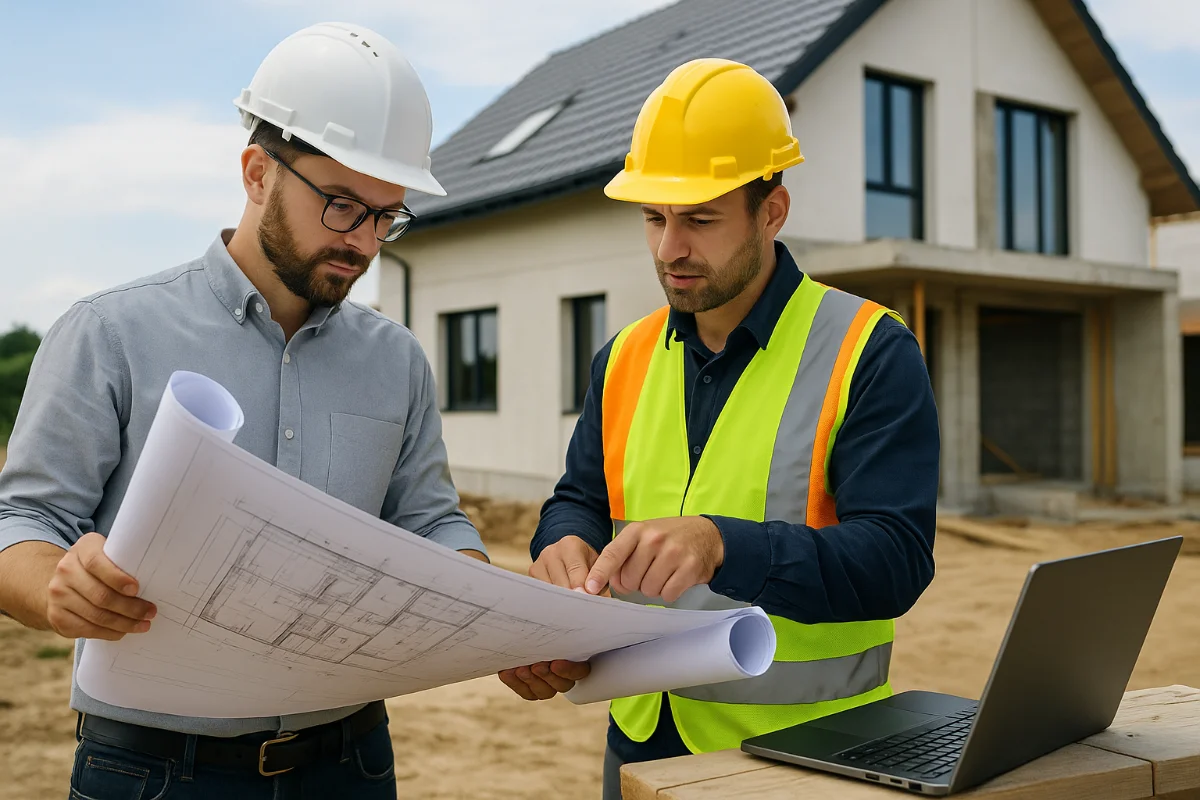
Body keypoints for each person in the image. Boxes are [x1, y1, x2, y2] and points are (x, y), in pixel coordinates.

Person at [0, 22, 488, 799]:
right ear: (257, 172)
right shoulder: (110, 334)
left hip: (351, 763)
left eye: (385, 216)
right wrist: (59, 584)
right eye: (340, 205)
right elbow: (21, 521)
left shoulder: (396, 360)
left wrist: (485, 603)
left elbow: (429, 519)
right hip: (153, 770)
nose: (363, 241)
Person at [497, 58, 940, 798]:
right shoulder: (624, 357)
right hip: (640, 747)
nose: (671, 248)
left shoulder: (869, 349)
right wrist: (561, 547)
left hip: (807, 757)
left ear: (772, 210)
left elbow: (896, 560)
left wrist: (724, 544)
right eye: (654, 217)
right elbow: (579, 496)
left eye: (700, 218)